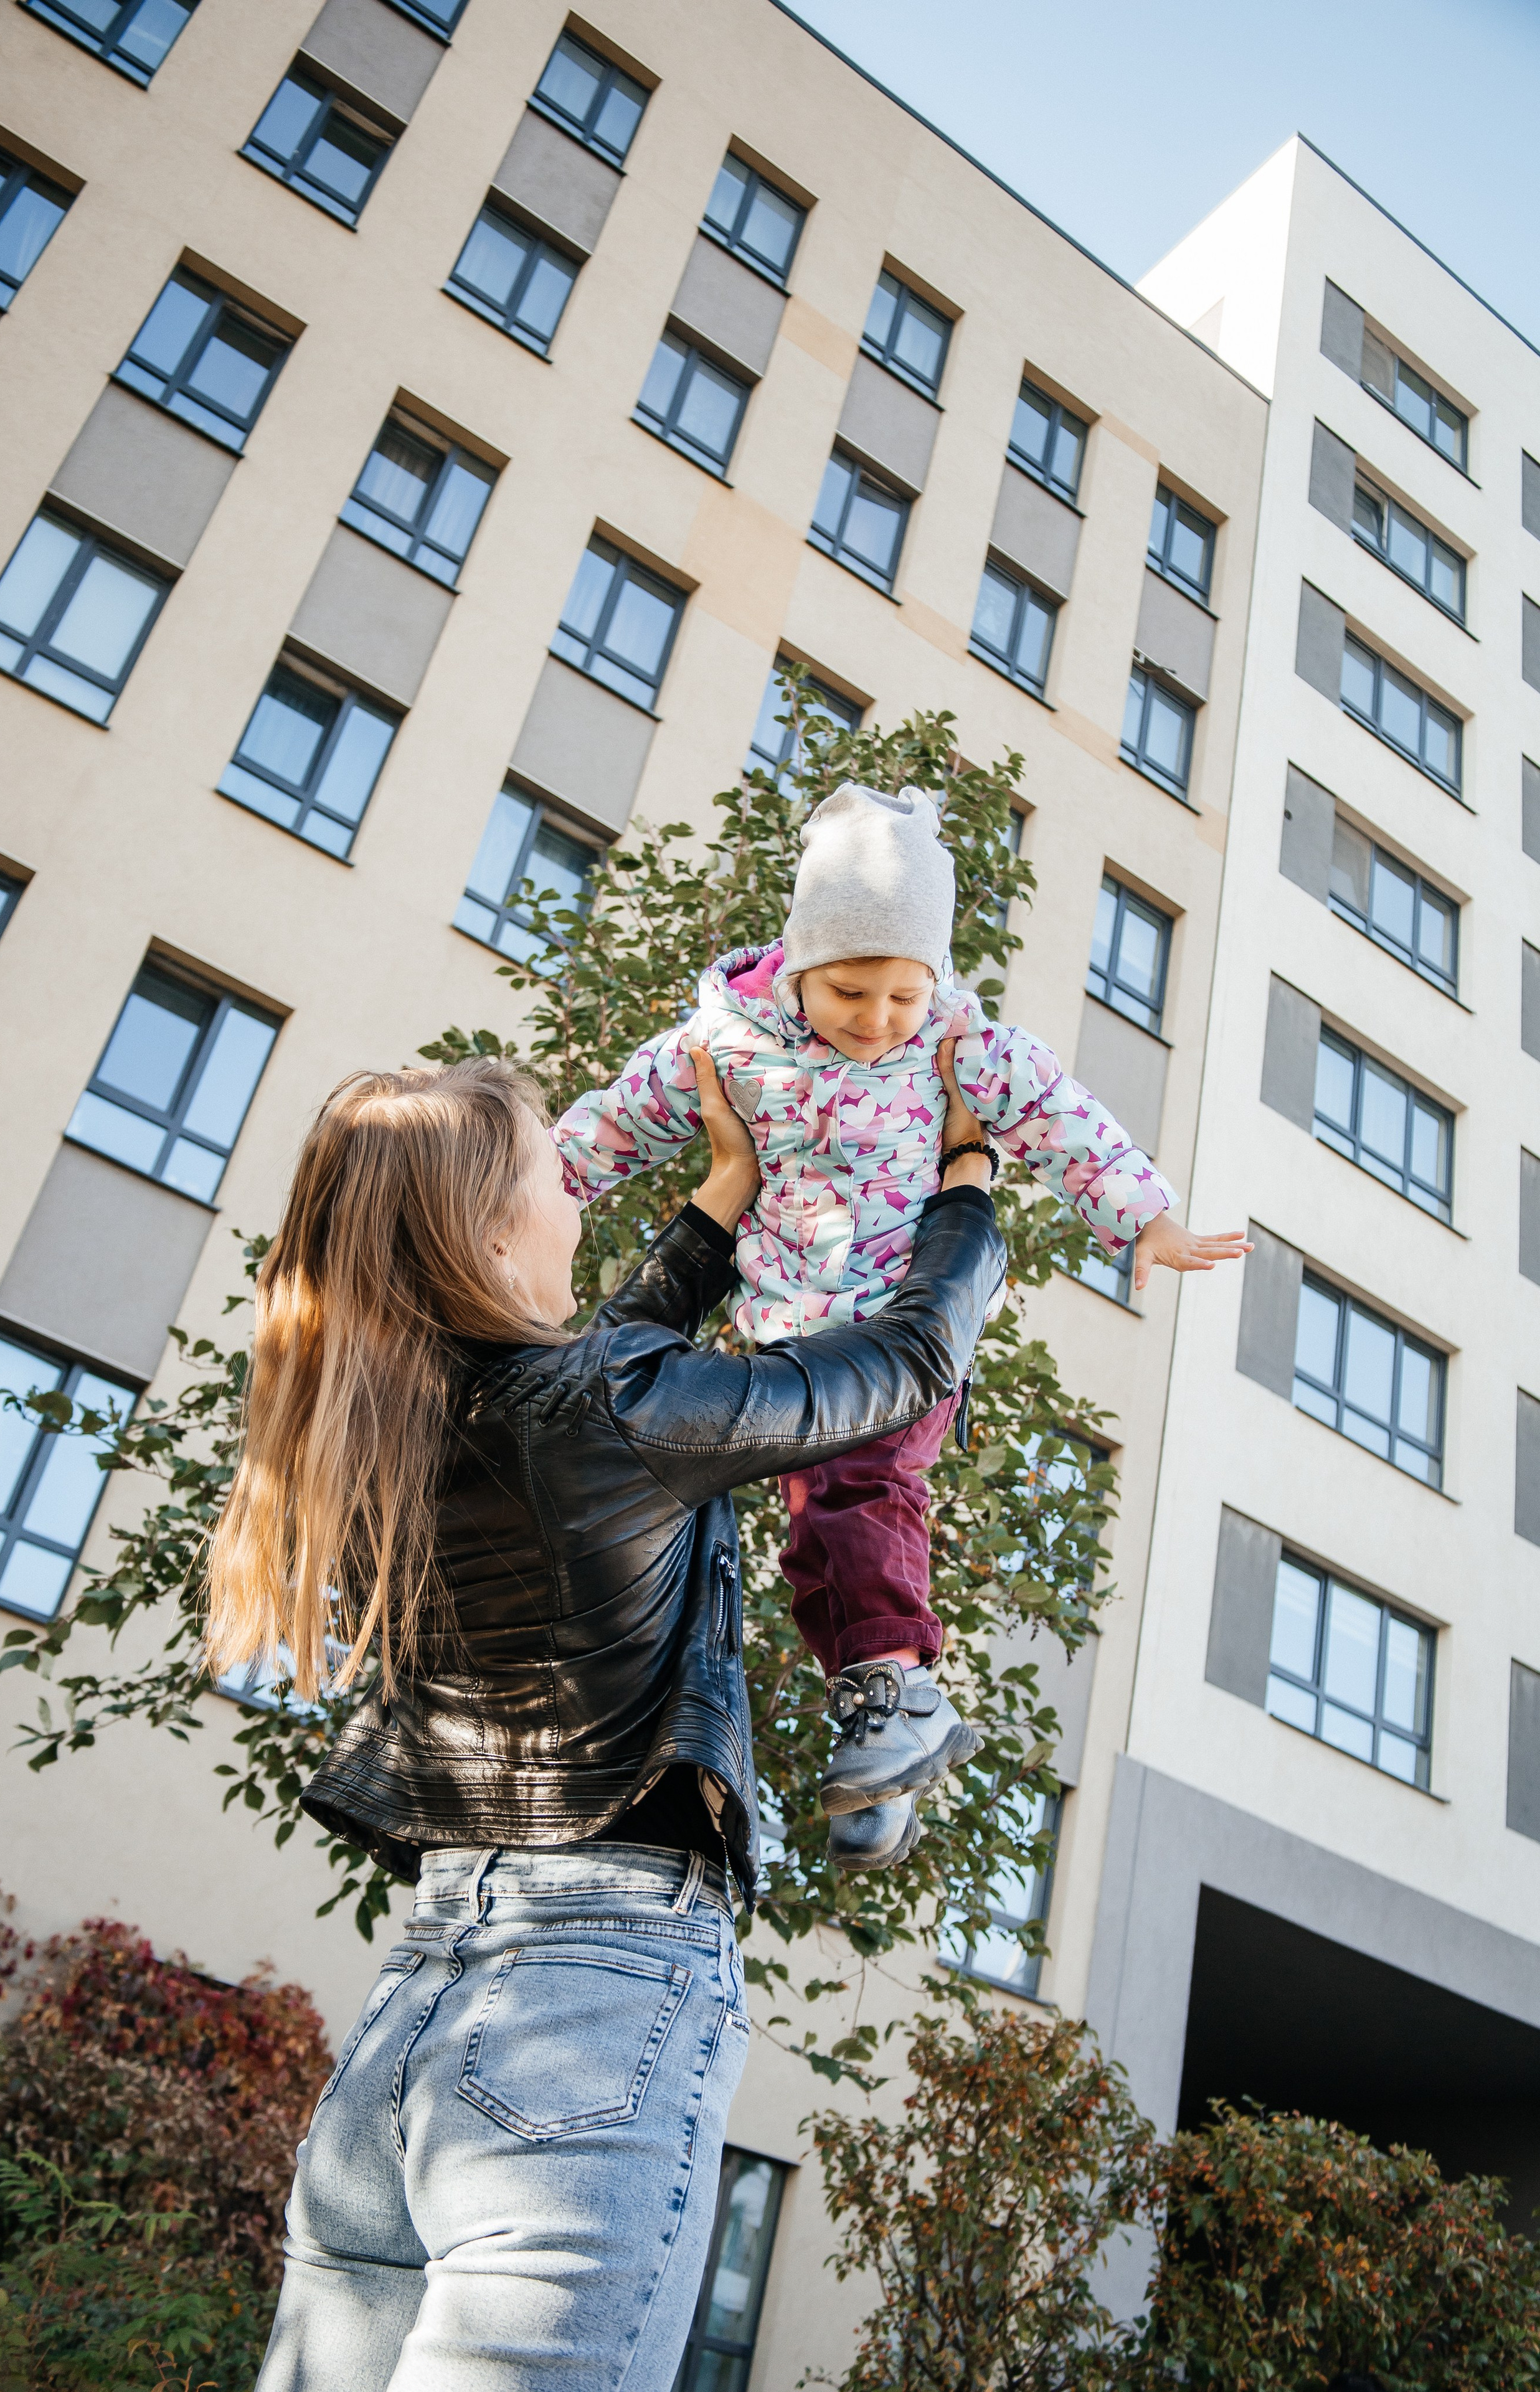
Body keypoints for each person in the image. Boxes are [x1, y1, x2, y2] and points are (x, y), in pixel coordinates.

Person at [206, 1039, 1006, 2391]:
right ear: (491, 1226)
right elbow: (910, 1358)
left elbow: (600, 1379)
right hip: (589, 2011)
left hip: (415, 2022)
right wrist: (967, 1183)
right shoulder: (604, 1416)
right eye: (552, 1174)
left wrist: (722, 1200)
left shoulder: (384, 1434)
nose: (575, 1200)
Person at [555, 783, 1250, 1871]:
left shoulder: (960, 1047)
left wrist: (1146, 1218)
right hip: (796, 1342)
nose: (878, 1020)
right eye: (850, 991)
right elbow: (619, 1117)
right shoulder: (727, 1042)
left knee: (865, 1487)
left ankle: (895, 1679)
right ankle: (875, 1719)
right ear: (797, 962)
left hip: (904, 1321)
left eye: (902, 993)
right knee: (812, 1528)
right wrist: (537, 1187)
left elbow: (1065, 1118)